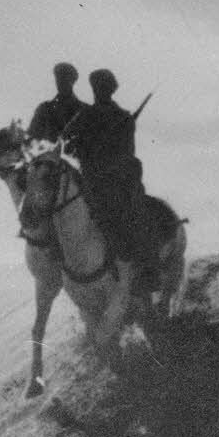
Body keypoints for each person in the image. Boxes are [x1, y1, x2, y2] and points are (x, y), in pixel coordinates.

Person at [64, 69, 160, 289]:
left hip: (96, 182)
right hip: (117, 183)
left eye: (101, 87)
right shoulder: (123, 117)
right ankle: (149, 271)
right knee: (139, 218)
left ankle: (147, 273)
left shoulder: (85, 116)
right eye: (98, 87)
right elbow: (128, 154)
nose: (99, 91)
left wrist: (85, 149)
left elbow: (67, 145)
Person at [28, 62, 86, 143]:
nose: (61, 82)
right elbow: (32, 137)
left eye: (65, 79)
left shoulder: (83, 110)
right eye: (58, 78)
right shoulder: (44, 109)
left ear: (73, 81)